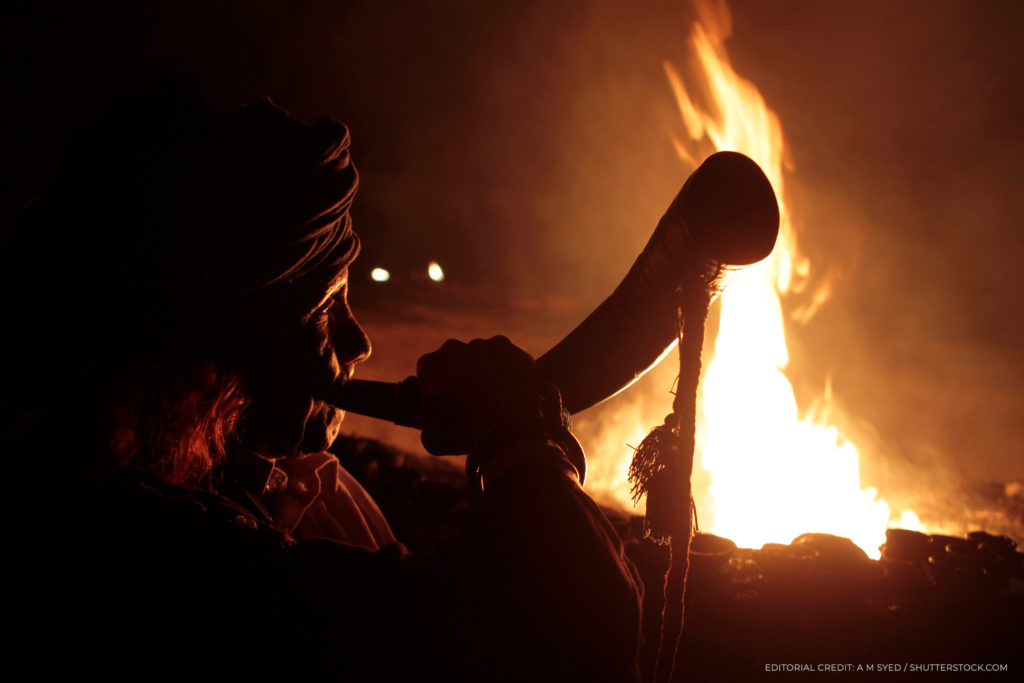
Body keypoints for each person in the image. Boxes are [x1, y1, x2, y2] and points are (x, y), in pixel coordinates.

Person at [1, 78, 642, 682]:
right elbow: (578, 636)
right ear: (208, 337)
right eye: (322, 308)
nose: (359, 342)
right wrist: (520, 440)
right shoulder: (135, 555)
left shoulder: (266, 483)